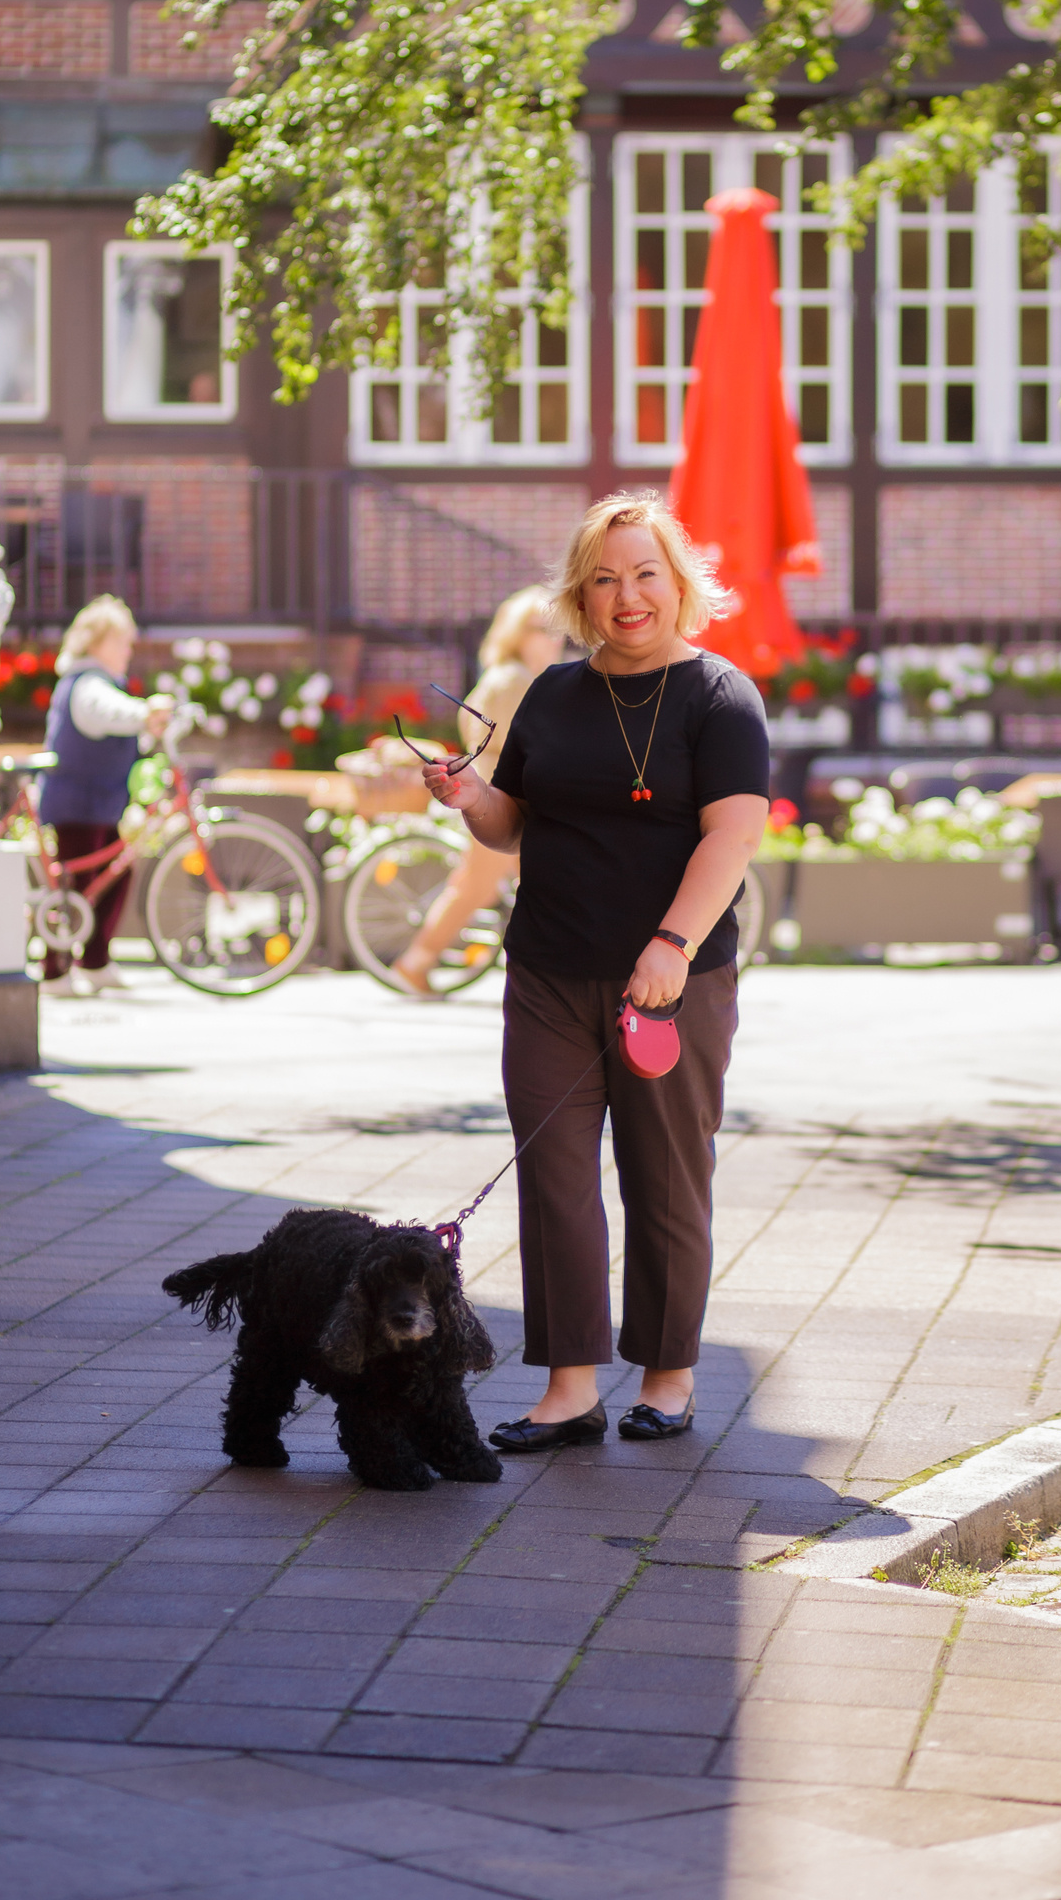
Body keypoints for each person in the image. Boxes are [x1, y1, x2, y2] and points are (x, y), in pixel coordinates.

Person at [419, 493, 770, 1451]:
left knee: (663, 1176)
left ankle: (667, 1377)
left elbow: (732, 834)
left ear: (678, 584)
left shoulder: (719, 697)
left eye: (645, 574)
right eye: (606, 578)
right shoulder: (554, 693)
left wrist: (672, 946)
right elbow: (515, 823)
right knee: (555, 1175)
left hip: (671, 985)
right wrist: (472, 796)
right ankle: (570, 1388)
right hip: (546, 972)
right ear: (580, 593)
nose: (627, 597)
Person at [390, 586, 565, 998]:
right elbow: (528, 745)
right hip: (498, 797)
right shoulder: (514, 681)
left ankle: (547, 975)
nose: (554, 640)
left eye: (558, 630)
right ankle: (415, 961)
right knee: (476, 886)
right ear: (518, 634)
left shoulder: (512, 676)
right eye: (543, 629)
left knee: (540, 886)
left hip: (499, 795)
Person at [39, 596, 173, 995]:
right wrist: (143, 713)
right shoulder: (87, 684)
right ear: (97, 642)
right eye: (122, 643)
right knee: (75, 885)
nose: (128, 652)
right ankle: (55, 969)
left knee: (115, 872)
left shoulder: (98, 681)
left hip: (98, 802)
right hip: (77, 803)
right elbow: (108, 711)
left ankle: (94, 960)